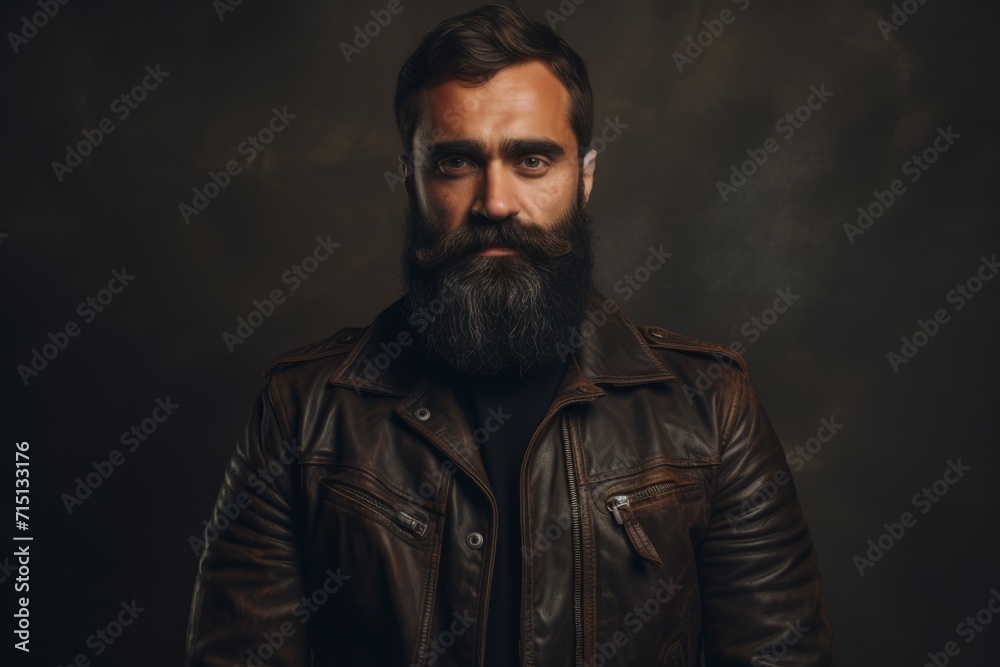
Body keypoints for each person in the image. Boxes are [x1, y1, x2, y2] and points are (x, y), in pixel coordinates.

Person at [185, 4, 834, 665]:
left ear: (583, 178)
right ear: (411, 180)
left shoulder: (710, 408)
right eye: (456, 162)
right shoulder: (302, 410)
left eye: (531, 159)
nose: (494, 202)